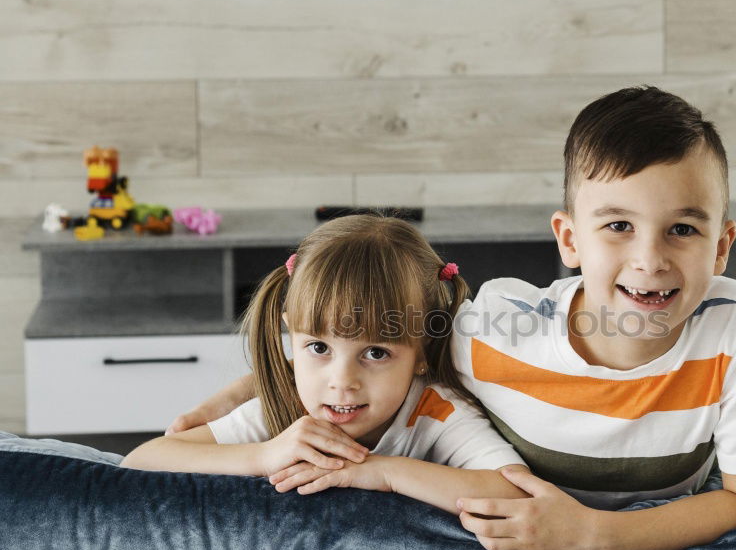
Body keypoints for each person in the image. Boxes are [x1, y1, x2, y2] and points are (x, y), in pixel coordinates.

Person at [168, 86, 736, 550]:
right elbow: (376, 336)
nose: (650, 259)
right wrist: (248, 386)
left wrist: (596, 536)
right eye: (618, 225)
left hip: (620, 539)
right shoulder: (502, 328)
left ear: (721, 248)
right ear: (569, 239)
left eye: (683, 230)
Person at [121, 215, 529, 514]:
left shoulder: (435, 411)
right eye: (318, 347)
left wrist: (385, 473)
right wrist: (262, 456)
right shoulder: (289, 411)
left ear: (422, 351)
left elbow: (517, 493)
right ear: (291, 338)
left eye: (376, 353)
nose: (341, 382)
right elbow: (140, 461)